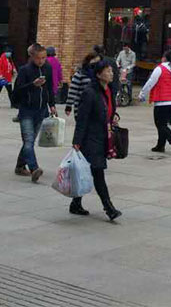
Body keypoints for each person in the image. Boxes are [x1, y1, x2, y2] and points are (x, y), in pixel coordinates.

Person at [70, 60, 122, 221]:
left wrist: (113, 117)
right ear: (98, 74)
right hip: (90, 138)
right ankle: (109, 208)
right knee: (98, 172)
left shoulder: (109, 90)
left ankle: (75, 203)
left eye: (112, 71)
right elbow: (82, 118)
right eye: (108, 71)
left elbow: (109, 110)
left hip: (103, 136)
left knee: (87, 171)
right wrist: (77, 141)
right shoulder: (89, 92)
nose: (111, 74)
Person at [14, 43, 56, 182]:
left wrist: (52, 105)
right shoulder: (24, 70)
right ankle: (34, 168)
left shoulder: (47, 68)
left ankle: (20, 166)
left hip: (41, 110)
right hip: (26, 110)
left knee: (29, 141)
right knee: (28, 140)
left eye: (44, 58)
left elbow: (49, 88)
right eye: (38, 58)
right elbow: (17, 91)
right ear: (31, 57)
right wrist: (33, 85)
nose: (41, 61)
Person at [139, 50, 171, 155]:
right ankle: (160, 145)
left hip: (162, 102)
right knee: (163, 124)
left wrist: (142, 94)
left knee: (160, 124)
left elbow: (150, 82)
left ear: (164, 58)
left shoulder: (160, 68)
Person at [66, 52, 99, 119]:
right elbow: (73, 90)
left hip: (97, 107)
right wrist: (68, 106)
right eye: (94, 62)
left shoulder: (99, 75)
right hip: (82, 107)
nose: (96, 64)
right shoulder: (80, 74)